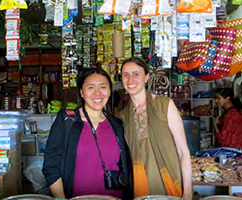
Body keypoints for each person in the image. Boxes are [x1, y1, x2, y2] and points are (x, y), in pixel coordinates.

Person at [43, 67, 133, 199]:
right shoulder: (67, 121)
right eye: (90, 87)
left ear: (109, 91)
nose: (98, 93)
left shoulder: (117, 125)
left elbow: (125, 165)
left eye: (103, 87)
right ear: (81, 92)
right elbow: (51, 165)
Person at [119, 57, 192, 200]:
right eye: (125, 75)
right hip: (139, 187)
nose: (130, 80)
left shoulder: (164, 105)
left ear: (146, 77)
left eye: (136, 74)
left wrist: (188, 193)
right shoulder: (122, 116)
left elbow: (183, 152)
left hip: (169, 181)